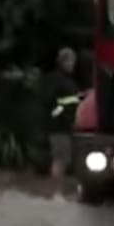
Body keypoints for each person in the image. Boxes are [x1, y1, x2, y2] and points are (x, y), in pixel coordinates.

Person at [46, 47, 82, 200]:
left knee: (65, 159)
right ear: (62, 62)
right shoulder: (55, 80)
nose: (72, 64)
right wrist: (62, 112)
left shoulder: (69, 81)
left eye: (73, 61)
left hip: (67, 126)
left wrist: (78, 98)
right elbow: (55, 103)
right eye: (69, 61)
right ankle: (56, 192)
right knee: (59, 159)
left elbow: (70, 100)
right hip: (58, 126)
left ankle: (60, 191)